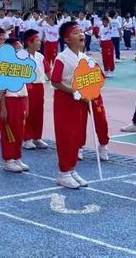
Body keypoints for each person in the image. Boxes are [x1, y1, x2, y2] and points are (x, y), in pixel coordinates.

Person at [51, 22, 89, 189]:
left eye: (81, 31)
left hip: (80, 102)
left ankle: (72, 168)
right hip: (65, 101)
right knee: (66, 136)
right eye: (75, 32)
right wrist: (72, 92)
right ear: (66, 39)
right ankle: (63, 172)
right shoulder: (62, 58)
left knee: (77, 135)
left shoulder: (84, 58)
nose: (81, 34)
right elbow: (55, 81)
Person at [0, 38, 30, 172]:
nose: (20, 50)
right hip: (10, 101)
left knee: (20, 131)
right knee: (9, 132)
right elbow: (1, 90)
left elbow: (25, 89)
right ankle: (8, 159)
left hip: (21, 101)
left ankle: (17, 157)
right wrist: (4, 108)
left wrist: (27, 105)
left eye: (20, 47)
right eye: (17, 48)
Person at [23, 30, 49, 151]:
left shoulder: (41, 56)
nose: (40, 43)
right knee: (28, 112)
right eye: (37, 41)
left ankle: (37, 137)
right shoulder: (21, 56)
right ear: (29, 42)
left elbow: (49, 72)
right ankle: (26, 138)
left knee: (39, 112)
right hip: (27, 87)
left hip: (39, 87)